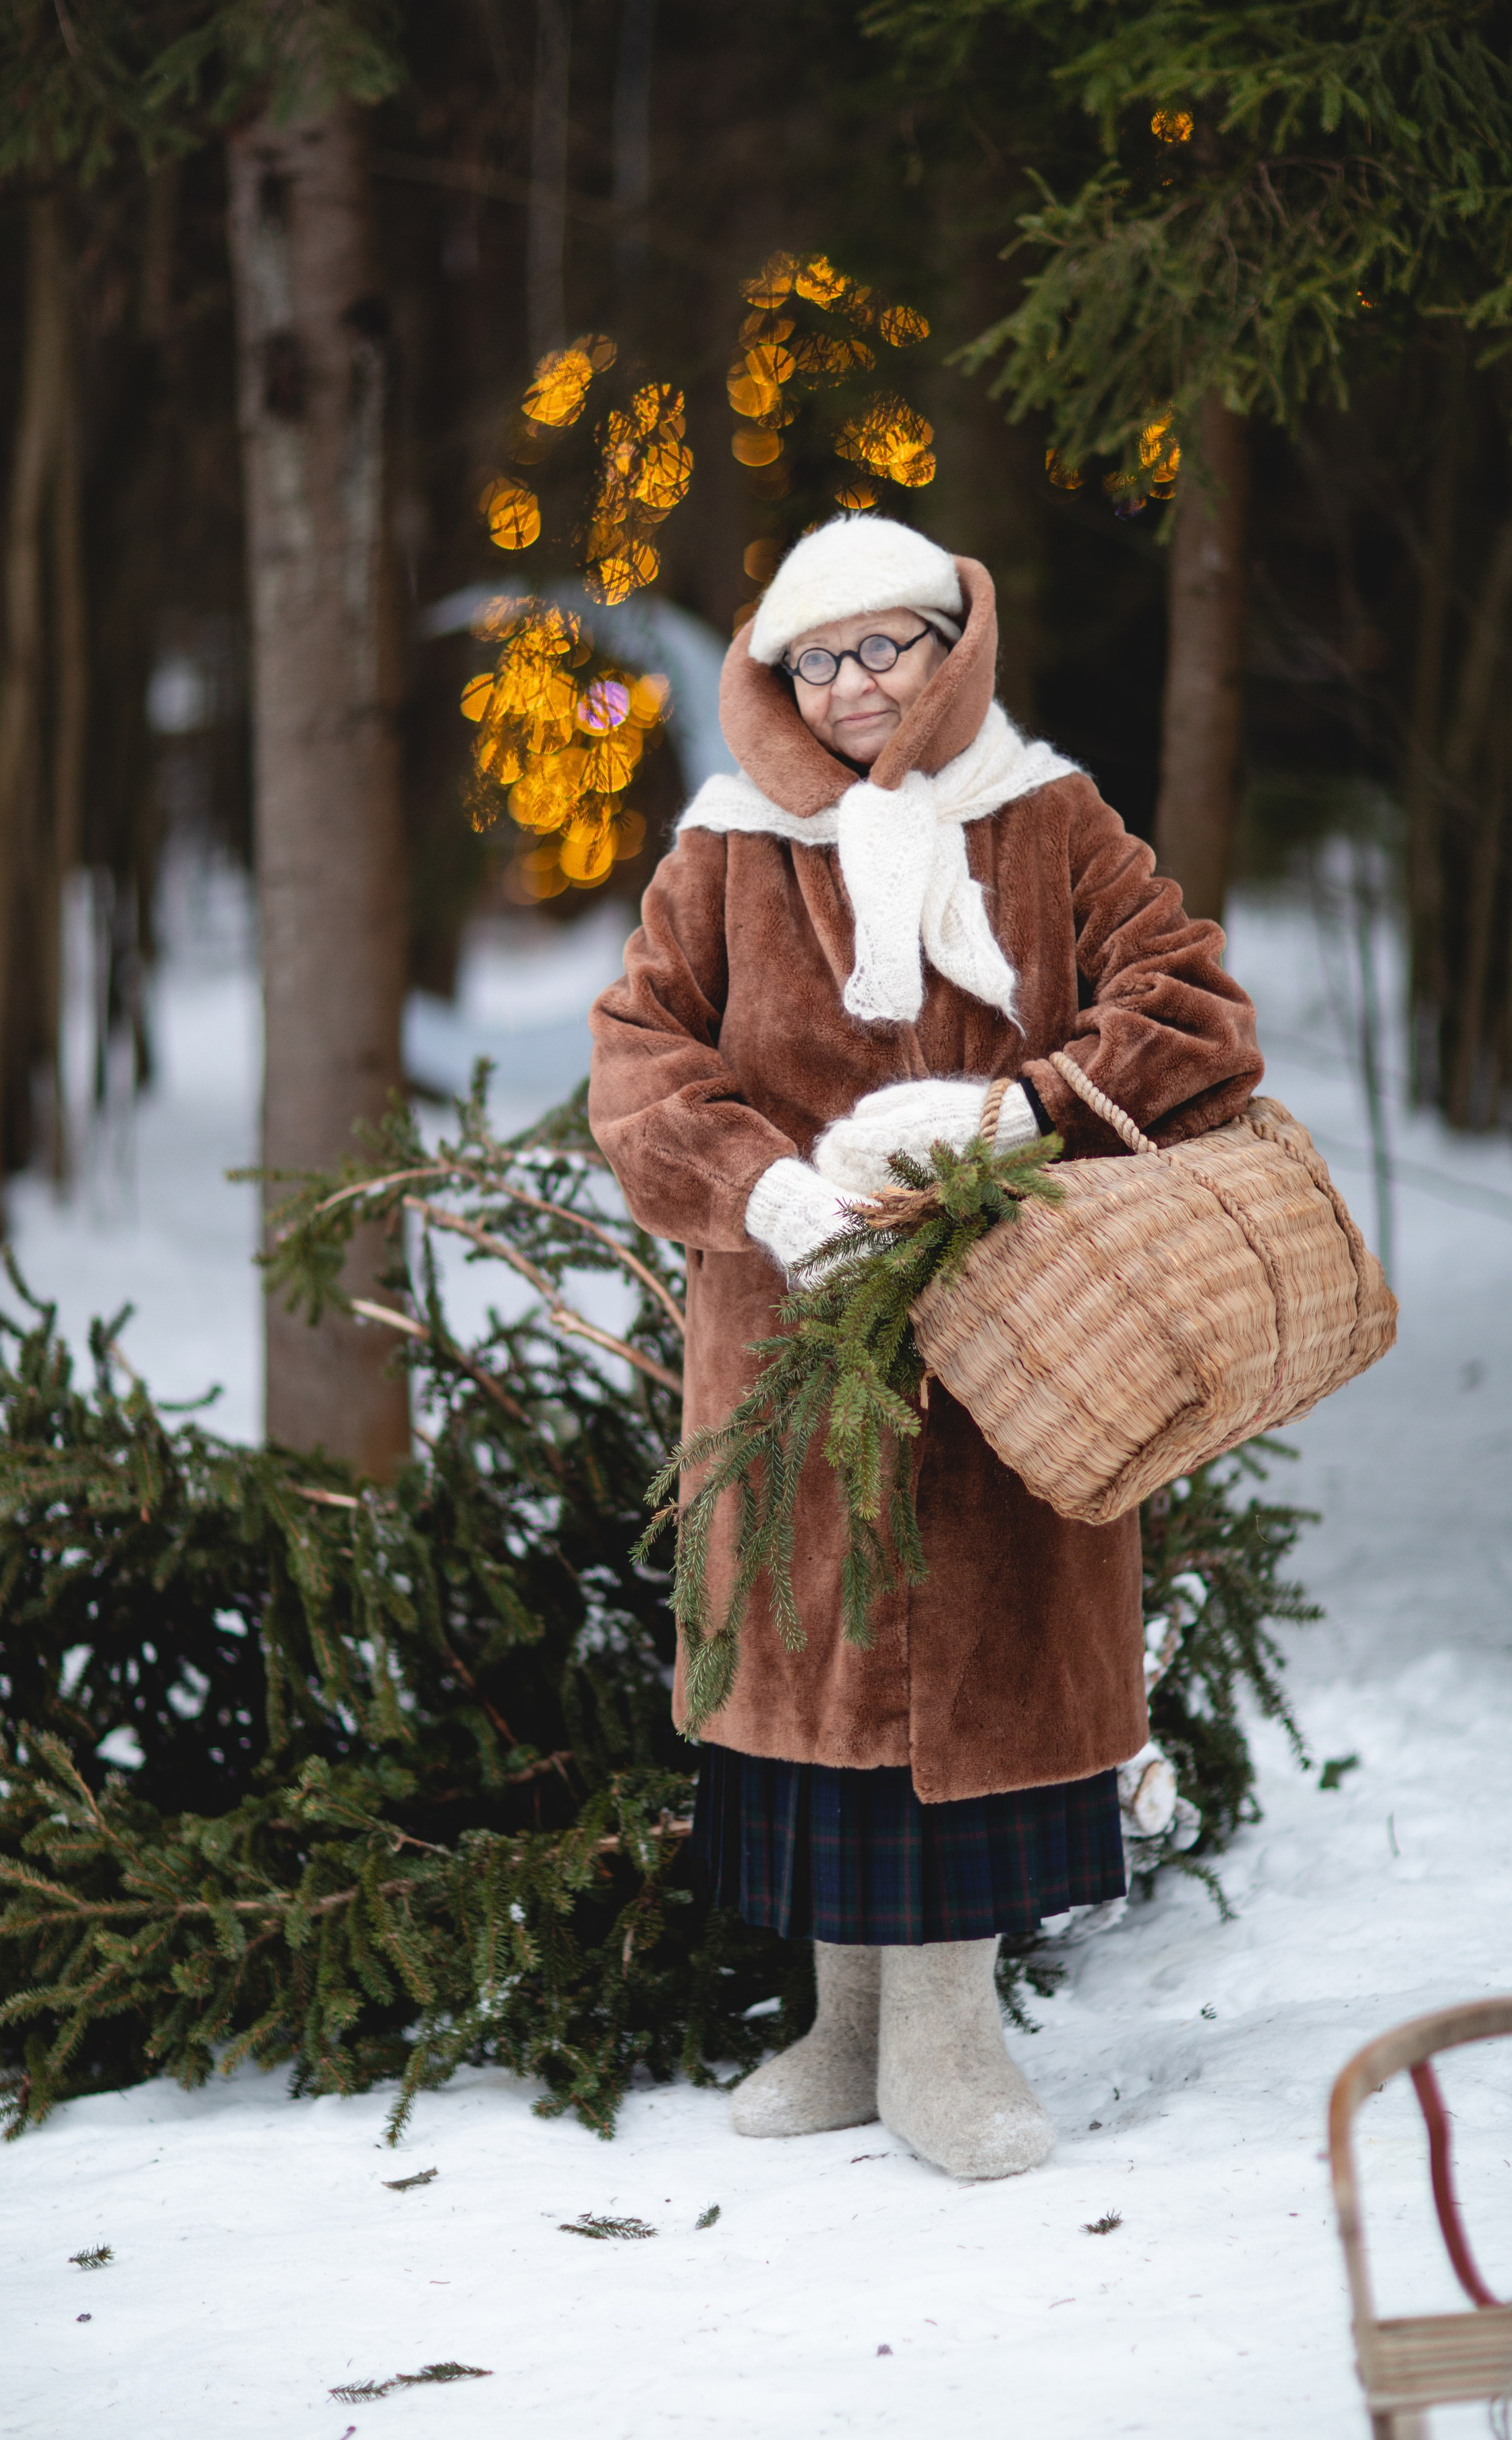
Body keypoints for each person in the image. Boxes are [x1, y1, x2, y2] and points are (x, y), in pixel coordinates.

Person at [588, 514, 1262, 2180]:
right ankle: (842, 2031)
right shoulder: (726, 845)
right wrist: (767, 1193)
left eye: (879, 647)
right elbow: (635, 1051)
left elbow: (1187, 1005)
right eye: (812, 661)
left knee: (971, 1678)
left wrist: (1018, 1111)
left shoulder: (1046, 816)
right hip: (788, 1338)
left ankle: (949, 2043)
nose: (849, 688)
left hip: (1010, 1338)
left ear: (948, 646)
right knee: (817, 1682)